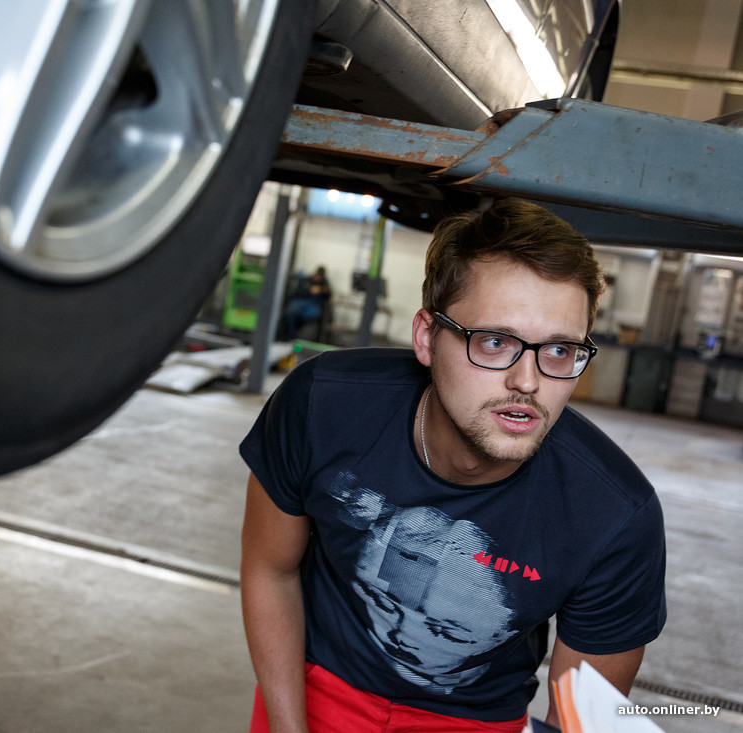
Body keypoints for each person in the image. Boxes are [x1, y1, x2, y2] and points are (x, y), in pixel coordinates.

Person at [239, 198, 667, 732]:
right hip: (317, 687)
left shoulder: (614, 514)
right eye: (495, 341)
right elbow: (271, 569)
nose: (528, 382)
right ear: (427, 338)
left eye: (559, 351)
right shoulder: (323, 405)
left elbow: (578, 721)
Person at [282, 266, 332, 340]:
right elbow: (297, 292)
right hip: (300, 302)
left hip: (313, 306)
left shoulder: (324, 283)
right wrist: (309, 290)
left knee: (312, 318)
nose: (317, 278)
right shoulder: (307, 280)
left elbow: (328, 295)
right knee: (290, 312)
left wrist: (322, 290)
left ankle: (303, 340)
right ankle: (291, 336)